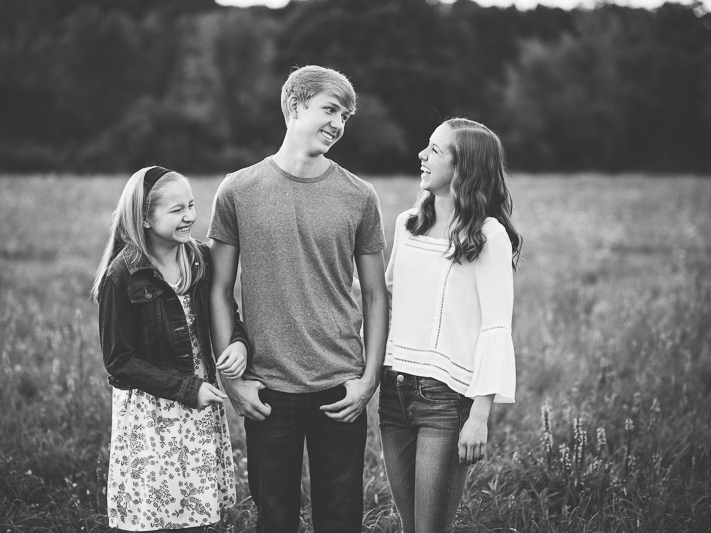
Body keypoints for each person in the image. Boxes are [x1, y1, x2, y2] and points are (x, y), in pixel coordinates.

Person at [207, 65, 389, 533]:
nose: (338, 123)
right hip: (267, 389)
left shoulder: (359, 196)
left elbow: (374, 294)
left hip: (340, 386)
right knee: (275, 518)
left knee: (341, 519)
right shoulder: (238, 190)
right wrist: (234, 382)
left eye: (345, 115)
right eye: (329, 109)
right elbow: (219, 290)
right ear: (293, 107)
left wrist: (367, 380)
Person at [380, 118, 521, 533]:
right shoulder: (409, 223)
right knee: (413, 526)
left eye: (436, 150)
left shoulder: (488, 236)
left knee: (429, 529)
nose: (422, 156)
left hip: (446, 399)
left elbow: (497, 327)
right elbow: (385, 293)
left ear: (464, 169)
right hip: (394, 390)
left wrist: (479, 415)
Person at [91, 166, 249, 533]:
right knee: (158, 516)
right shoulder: (123, 276)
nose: (190, 216)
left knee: (196, 513)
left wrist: (238, 341)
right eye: (177, 210)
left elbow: (226, 309)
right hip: (152, 412)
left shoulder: (200, 259)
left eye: (191, 205)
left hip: (200, 401)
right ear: (145, 217)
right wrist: (186, 389)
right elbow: (119, 361)